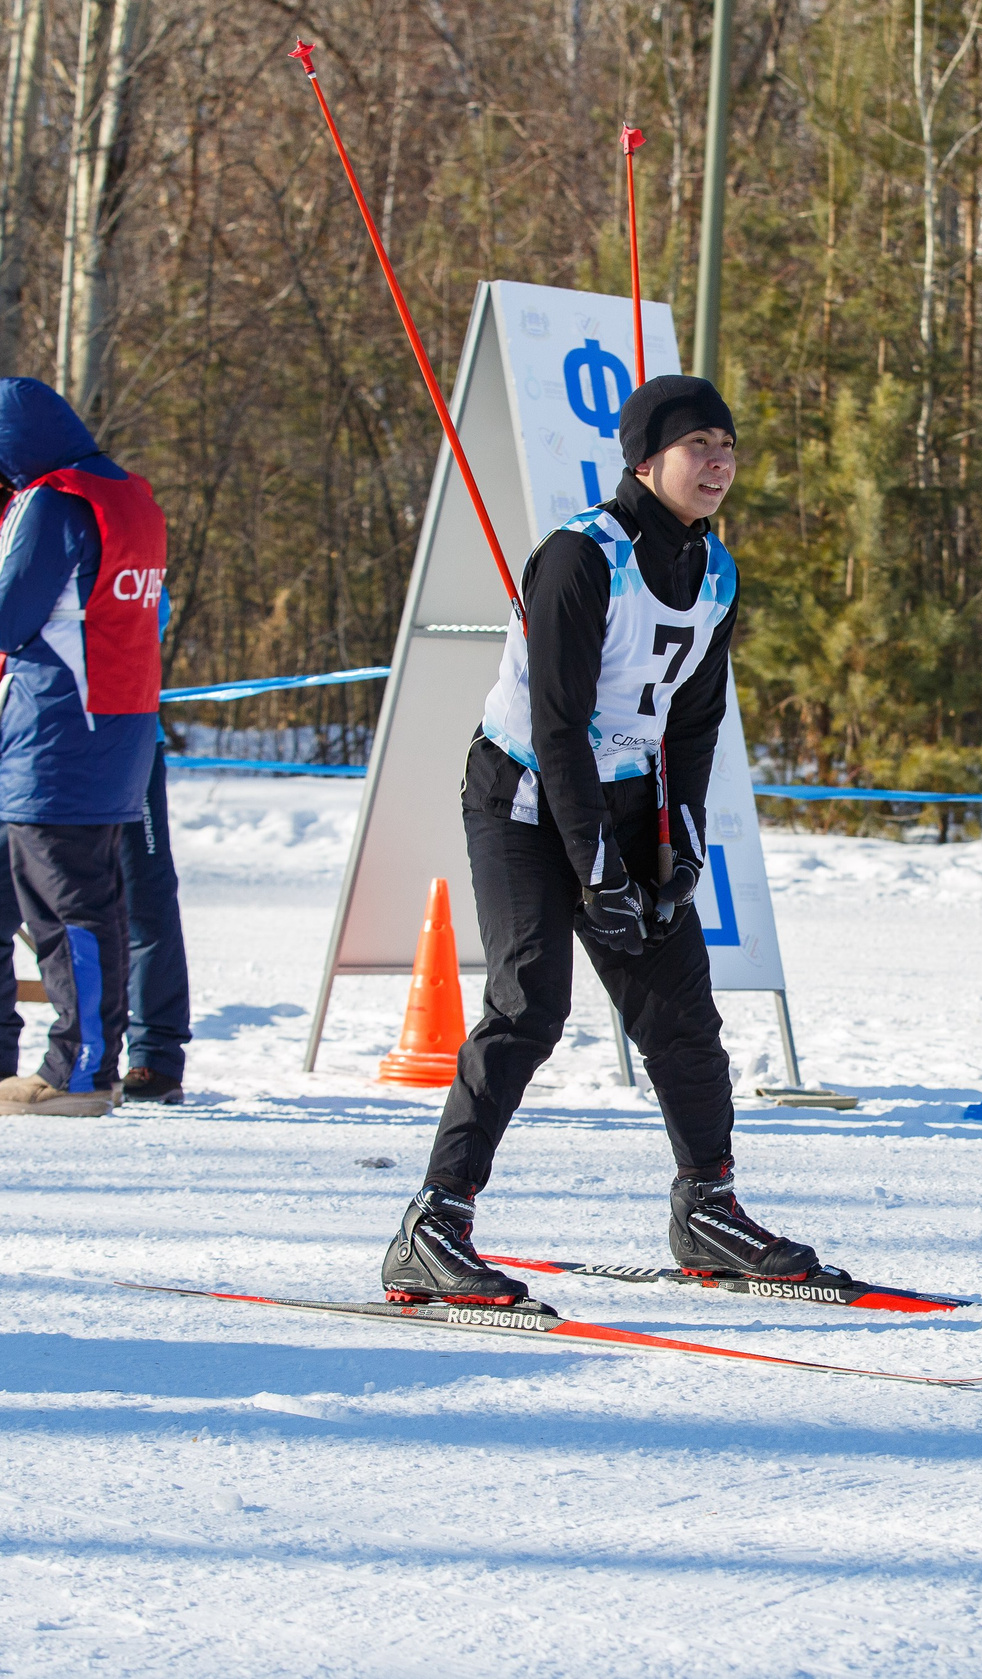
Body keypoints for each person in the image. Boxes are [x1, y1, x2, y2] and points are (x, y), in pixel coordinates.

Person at [380, 374, 823, 1305]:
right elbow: (555, 726)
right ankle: (433, 1222)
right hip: (524, 798)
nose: (718, 462)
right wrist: (597, 867)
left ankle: (708, 1206)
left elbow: (695, 725)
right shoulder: (583, 559)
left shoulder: (716, 572)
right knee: (530, 1002)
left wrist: (679, 845)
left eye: (727, 445)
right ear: (645, 457)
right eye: (696, 444)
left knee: (681, 1013)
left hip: (623, 799)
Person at [0, 424, 194, 1105]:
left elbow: (146, 614)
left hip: (112, 745)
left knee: (140, 898)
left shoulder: (68, 521)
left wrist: (24, 616)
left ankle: (153, 1057)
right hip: (29, 763)